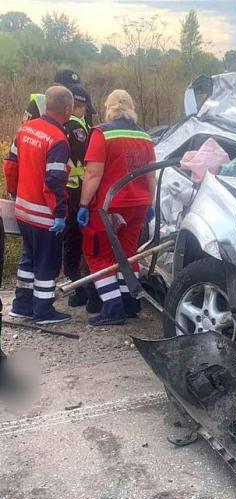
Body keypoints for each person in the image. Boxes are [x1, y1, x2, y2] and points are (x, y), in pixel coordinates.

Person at [78, 90, 156, 326]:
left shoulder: (103, 133)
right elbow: (151, 176)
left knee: (99, 254)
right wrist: (150, 203)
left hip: (109, 206)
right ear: (131, 107)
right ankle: (130, 302)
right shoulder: (145, 136)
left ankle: (112, 308)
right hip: (138, 204)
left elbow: (93, 174)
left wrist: (83, 204)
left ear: (108, 107)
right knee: (127, 252)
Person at [3, 86, 74, 325]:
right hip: (44, 215)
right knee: (47, 261)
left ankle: (21, 306)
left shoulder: (26, 128)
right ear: (67, 109)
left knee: (28, 258)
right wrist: (60, 214)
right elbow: (53, 181)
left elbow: (10, 164)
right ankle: (43, 311)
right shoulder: (58, 139)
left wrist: (13, 193)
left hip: (23, 210)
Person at [61, 85, 101, 312]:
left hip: (70, 193)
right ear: (81, 107)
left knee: (72, 242)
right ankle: (81, 288)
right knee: (77, 243)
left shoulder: (66, 127)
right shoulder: (78, 130)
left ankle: (78, 287)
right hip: (78, 194)